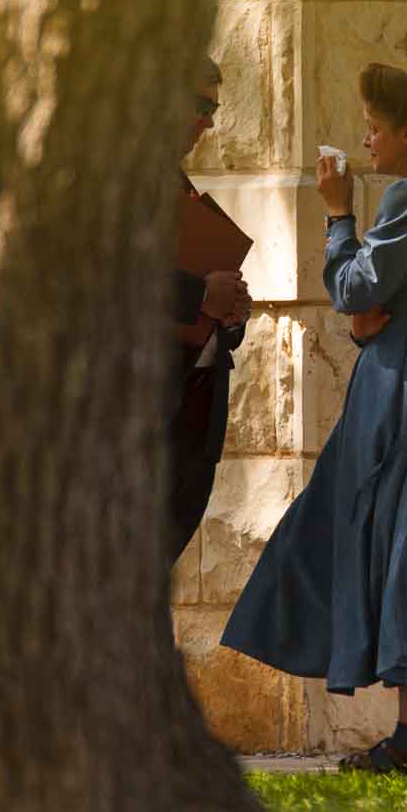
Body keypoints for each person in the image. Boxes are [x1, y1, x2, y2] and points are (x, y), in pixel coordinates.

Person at [221, 62, 407, 774]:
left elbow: (353, 288)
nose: (366, 140)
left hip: (406, 389)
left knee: (403, 549)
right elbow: (380, 307)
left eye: (375, 127)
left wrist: (338, 214)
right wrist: (373, 329)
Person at [171, 59, 252, 563]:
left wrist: (231, 311)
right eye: (201, 107)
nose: (209, 123)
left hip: (192, 422)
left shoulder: (179, 185)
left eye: (213, 110)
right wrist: (199, 296)